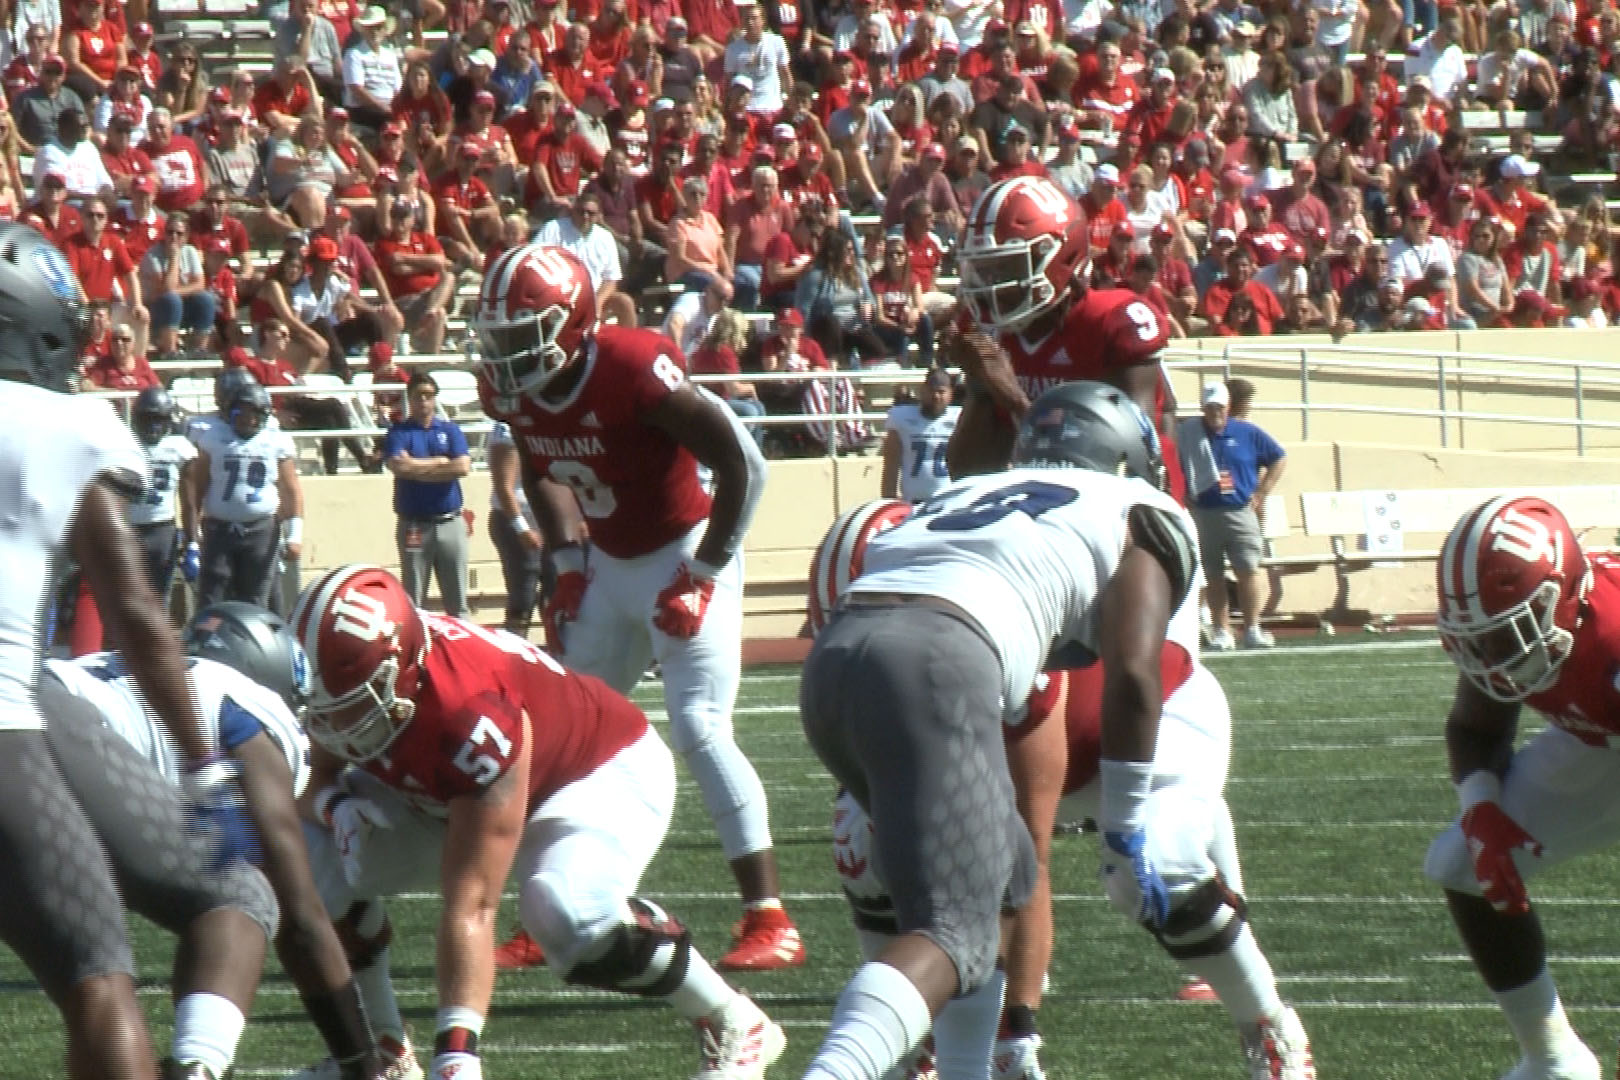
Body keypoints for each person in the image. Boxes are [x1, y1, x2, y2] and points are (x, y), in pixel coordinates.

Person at [809, 497, 1316, 1080]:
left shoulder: (998, 645)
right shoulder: (892, 635)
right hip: (983, 721)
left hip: (1146, 733)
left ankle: (1269, 1025)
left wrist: (1018, 1030)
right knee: (863, 844)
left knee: (1152, 866)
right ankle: (917, 1049)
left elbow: (1029, 851)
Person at [797, 381, 1205, 1080]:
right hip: (936, 661)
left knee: (1007, 878)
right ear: (1122, 456)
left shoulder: (967, 490)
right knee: (952, 930)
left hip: (836, 659)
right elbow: (1135, 674)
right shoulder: (1138, 506)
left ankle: (965, 1071)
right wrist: (1125, 833)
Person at [288, 564, 788, 1080]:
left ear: (405, 670)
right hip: (453, 783)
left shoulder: (471, 710)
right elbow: (309, 778)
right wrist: (333, 807)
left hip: (591, 773)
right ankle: (382, 1049)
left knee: (566, 912)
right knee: (306, 856)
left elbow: (474, 904)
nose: (335, 725)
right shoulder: (353, 674)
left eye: (352, 707)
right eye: (326, 708)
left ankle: (730, 1019)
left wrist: (457, 1054)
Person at [473, 244, 803, 972]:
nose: (504, 354)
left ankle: (770, 916)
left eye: (519, 335)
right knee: (553, 736)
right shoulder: (521, 391)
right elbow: (539, 465)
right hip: (608, 565)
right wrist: (564, 564)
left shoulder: (629, 365)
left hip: (684, 550)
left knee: (698, 727)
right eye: (497, 337)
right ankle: (550, 909)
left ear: (570, 324)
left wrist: (705, 571)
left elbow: (744, 463)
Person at [0, 220, 258, 1080]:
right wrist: (205, 765)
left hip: (27, 696)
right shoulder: (64, 422)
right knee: (100, 977)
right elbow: (141, 615)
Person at [47, 605, 392, 1080]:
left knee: (95, 971)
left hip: (31, 707)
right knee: (242, 895)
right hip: (41, 730)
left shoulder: (115, 672)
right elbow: (301, 920)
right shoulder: (242, 701)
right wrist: (363, 1062)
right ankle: (198, 1067)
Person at [1423, 495, 1620, 1080]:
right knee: (1462, 863)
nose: (1493, 657)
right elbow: (1473, 726)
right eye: (1480, 638)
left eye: (1508, 634)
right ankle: (1553, 1060)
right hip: (1600, 734)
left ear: (1562, 597)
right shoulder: (1508, 627)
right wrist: (1481, 809)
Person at [945, 176, 1177, 499]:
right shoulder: (992, 329)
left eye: (1006, 266)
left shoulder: (1114, 322)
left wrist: (1013, 397)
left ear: (1060, 257)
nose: (992, 283)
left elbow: (1125, 467)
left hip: (1134, 518)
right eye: (985, 269)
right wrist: (982, 388)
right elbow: (967, 473)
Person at [1177, 382, 1285, 650]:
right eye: (1210, 407)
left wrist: (1262, 491)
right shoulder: (1189, 433)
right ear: (1203, 408)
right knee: (1212, 575)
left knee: (1248, 570)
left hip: (1239, 510)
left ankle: (1252, 629)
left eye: (1220, 407)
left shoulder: (1247, 432)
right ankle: (1222, 630)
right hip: (1203, 512)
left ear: (1228, 407)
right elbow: (1172, 463)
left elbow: (1278, 457)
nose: (1216, 413)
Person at [191, 376, 303, 611]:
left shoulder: (275, 440)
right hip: (219, 528)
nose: (247, 420)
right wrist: (194, 531)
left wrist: (295, 534)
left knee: (256, 600)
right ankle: (206, 646)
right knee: (212, 597)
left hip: (260, 530)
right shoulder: (213, 437)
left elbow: (291, 489)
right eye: (240, 414)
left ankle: (255, 647)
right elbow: (197, 485)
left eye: (254, 414)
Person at [384, 372, 472, 618]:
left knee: (458, 601)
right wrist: (441, 463)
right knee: (414, 599)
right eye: (418, 396)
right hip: (414, 525)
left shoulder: (450, 430)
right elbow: (398, 467)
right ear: (409, 400)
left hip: (450, 521)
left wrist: (416, 467)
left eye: (428, 395)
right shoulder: (399, 433)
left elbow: (462, 467)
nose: (423, 401)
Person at [127, 386, 198, 598]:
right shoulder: (123, 444)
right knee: (125, 597)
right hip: (128, 529)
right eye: (147, 419)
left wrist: (192, 542)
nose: (152, 426)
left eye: (158, 419)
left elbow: (189, 502)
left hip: (162, 530)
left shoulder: (179, 447)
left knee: (159, 598)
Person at [486, 421, 542, 638]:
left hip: (547, 520)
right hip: (515, 519)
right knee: (523, 597)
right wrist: (522, 527)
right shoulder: (508, 426)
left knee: (557, 595)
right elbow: (504, 487)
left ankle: (560, 662)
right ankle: (515, 659)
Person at [880, 366, 958, 503]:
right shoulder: (901, 417)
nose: (935, 396)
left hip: (949, 501)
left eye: (941, 392)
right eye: (931, 391)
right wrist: (888, 500)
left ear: (951, 394)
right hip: (914, 501)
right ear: (922, 391)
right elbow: (891, 465)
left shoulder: (959, 419)